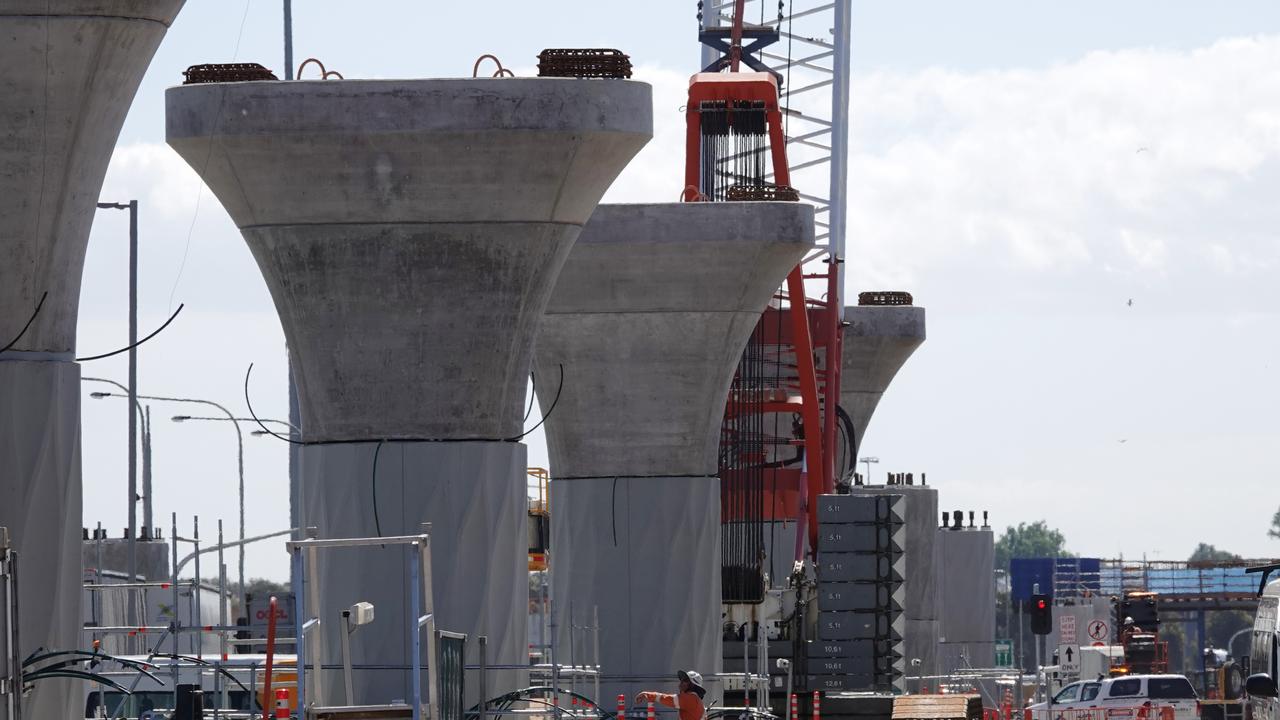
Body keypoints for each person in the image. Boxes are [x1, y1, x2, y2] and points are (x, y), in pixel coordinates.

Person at [636, 670, 706, 720]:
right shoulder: (694, 699)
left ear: (692, 685)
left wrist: (649, 695)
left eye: (685, 680)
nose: (681, 682)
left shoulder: (690, 699)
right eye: (681, 680)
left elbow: (669, 699)